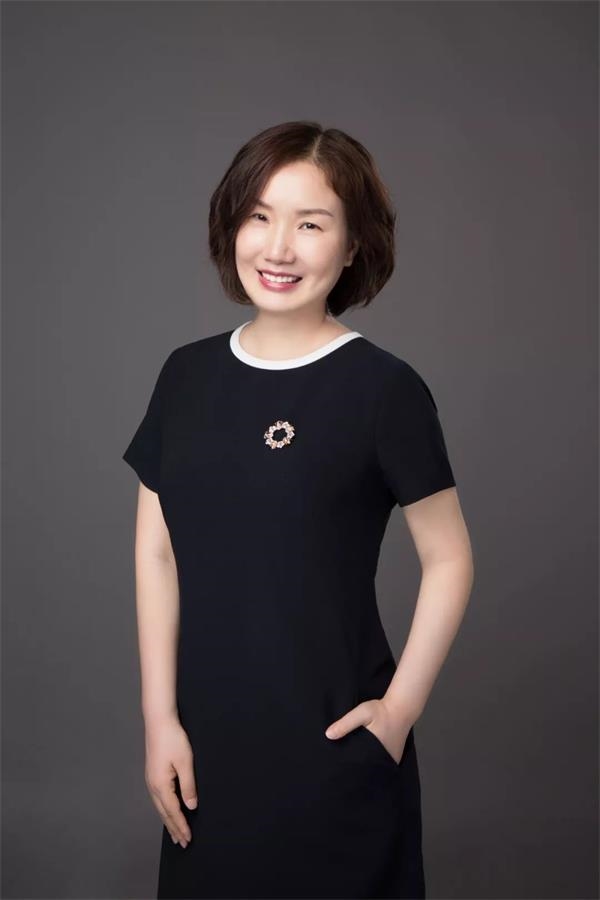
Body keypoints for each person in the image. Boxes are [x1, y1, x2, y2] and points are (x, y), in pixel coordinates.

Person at [122, 120, 474, 900]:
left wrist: (398, 713)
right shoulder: (185, 377)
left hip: (335, 748)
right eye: (259, 216)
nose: (278, 248)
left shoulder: (383, 390)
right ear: (232, 226)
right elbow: (157, 552)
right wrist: (159, 720)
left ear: (352, 246)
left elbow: (450, 558)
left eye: (311, 224)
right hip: (205, 753)